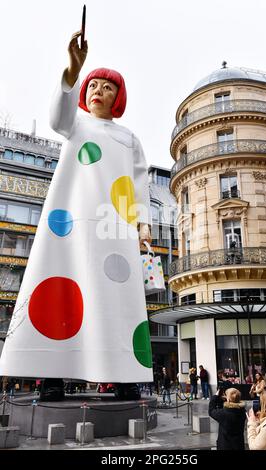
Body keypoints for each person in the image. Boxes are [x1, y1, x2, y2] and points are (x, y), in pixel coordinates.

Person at [0, 29, 153, 387]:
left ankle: (124, 375)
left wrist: (142, 223)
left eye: (107, 86)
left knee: (115, 296)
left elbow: (139, 183)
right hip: (69, 220)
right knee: (60, 287)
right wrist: (73, 70)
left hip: (111, 225)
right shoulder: (76, 123)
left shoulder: (129, 138)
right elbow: (58, 117)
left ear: (119, 97)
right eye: (93, 85)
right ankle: (53, 376)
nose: (98, 90)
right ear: (84, 94)